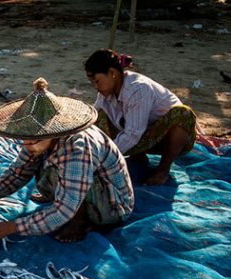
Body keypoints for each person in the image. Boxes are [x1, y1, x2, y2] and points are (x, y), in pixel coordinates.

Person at [0, 78, 134, 242]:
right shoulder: (36, 139)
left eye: (33, 140)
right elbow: (19, 172)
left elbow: (64, 209)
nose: (27, 145)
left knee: (64, 186)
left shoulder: (77, 149)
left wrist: (13, 227)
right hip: (78, 187)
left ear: (52, 133)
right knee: (36, 161)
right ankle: (64, 199)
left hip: (111, 206)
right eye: (25, 140)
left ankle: (80, 220)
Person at [85, 49, 200, 185]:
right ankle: (138, 156)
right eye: (92, 83)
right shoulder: (105, 94)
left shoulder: (138, 89)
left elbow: (133, 134)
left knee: (183, 114)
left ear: (112, 73)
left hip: (169, 138)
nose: (95, 87)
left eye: (97, 81)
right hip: (144, 136)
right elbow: (91, 119)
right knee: (98, 118)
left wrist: (104, 157)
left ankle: (162, 171)